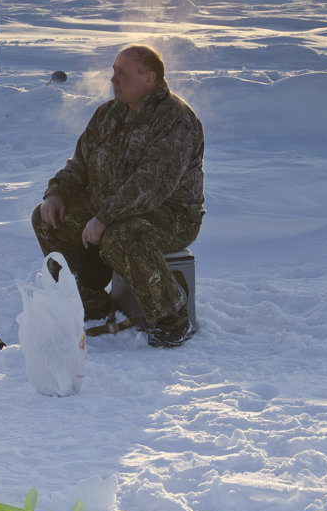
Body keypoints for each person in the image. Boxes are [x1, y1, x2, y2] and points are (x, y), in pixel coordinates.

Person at [31, 44, 205, 348]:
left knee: (121, 235)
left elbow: (150, 187)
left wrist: (104, 218)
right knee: (48, 218)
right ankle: (92, 299)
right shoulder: (108, 114)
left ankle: (172, 317)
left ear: (149, 78)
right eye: (113, 72)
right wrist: (56, 193)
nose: (114, 79)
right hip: (111, 209)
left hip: (170, 215)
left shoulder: (176, 120)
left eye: (122, 74)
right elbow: (80, 165)